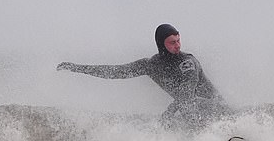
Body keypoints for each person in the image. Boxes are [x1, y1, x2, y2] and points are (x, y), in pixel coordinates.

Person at [57, 24, 231, 130]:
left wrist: (167, 116)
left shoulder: (188, 62)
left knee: (188, 105)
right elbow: (115, 72)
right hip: (193, 117)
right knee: (182, 117)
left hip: (217, 111)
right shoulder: (151, 65)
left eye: (178, 40)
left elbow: (186, 94)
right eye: (172, 42)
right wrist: (77, 68)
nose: (178, 45)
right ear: (161, 44)